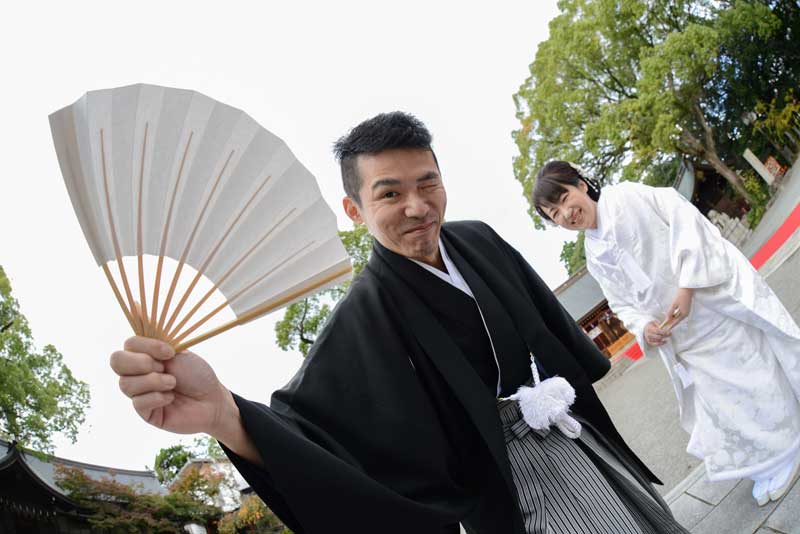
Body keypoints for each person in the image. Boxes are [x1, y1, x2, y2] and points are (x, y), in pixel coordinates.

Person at [111, 114, 689, 534]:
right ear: (355, 210)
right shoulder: (363, 313)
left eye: (427, 183)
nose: (417, 206)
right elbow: (311, 430)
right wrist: (223, 414)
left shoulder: (479, 241)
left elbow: (549, 335)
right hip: (508, 482)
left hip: (567, 431)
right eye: (390, 193)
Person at [531, 161, 800, 506]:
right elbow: (621, 302)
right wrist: (644, 326)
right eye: (554, 214)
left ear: (581, 185)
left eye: (564, 199)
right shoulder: (593, 254)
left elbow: (685, 220)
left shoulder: (627, 196)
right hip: (681, 336)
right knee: (727, 399)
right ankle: (767, 459)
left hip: (709, 306)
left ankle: (788, 448)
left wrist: (687, 287)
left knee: (752, 374)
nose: (566, 214)